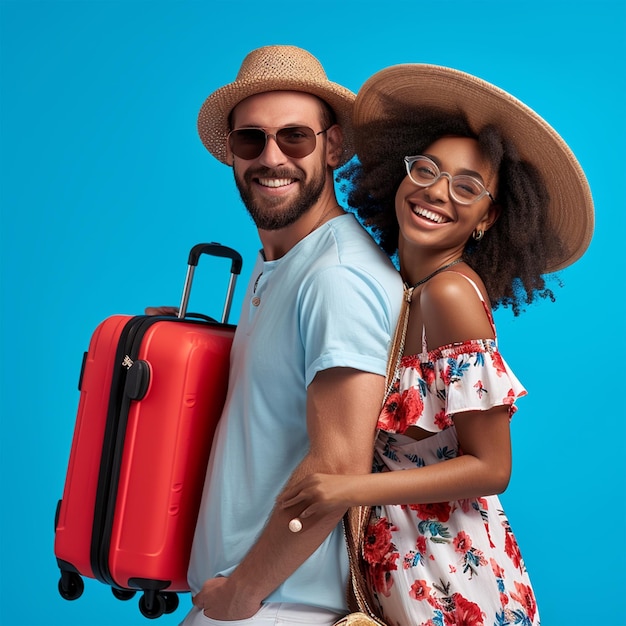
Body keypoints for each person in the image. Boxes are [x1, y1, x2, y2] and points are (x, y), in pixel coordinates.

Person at [280, 64, 594, 626]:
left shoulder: (450, 293)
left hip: (455, 578)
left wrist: (348, 487)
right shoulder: (406, 290)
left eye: (467, 186)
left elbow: (493, 467)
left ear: (487, 217)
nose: (437, 192)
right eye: (426, 169)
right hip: (411, 567)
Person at [165, 46, 404, 625]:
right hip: (251, 602)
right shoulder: (282, 263)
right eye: (251, 140)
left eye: (295, 137)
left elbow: (339, 467)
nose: (271, 158)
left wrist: (245, 591)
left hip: (282, 606)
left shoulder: (336, 276)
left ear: (333, 144)